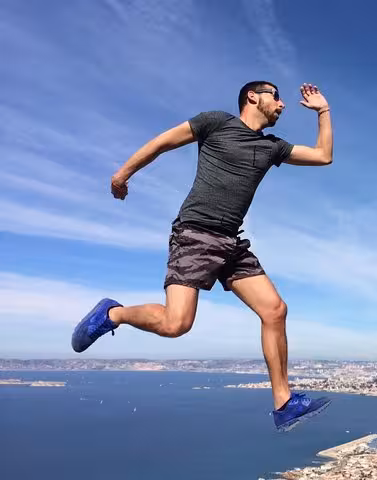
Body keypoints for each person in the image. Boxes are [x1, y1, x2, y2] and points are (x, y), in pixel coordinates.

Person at [72, 82, 333, 432]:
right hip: (196, 232)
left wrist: (323, 111)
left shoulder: (272, 147)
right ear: (253, 97)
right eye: (277, 96)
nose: (283, 104)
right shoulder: (216, 123)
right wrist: (123, 174)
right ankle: (113, 313)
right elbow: (163, 142)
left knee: (275, 310)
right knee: (176, 324)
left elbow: (323, 156)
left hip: (232, 242)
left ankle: (284, 404)